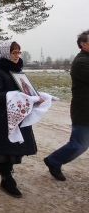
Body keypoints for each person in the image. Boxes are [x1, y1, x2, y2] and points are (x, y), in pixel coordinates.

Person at [0, 41, 42, 198]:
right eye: (13, 53)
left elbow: (25, 89)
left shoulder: (18, 71)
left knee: (14, 149)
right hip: (2, 117)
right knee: (5, 151)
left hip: (17, 116)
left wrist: (34, 97)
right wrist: (18, 97)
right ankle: (6, 179)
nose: (17, 56)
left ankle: (7, 172)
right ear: (5, 53)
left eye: (18, 52)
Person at [44, 30, 89, 181]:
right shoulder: (81, 62)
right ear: (83, 44)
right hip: (84, 111)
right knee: (79, 145)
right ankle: (53, 161)